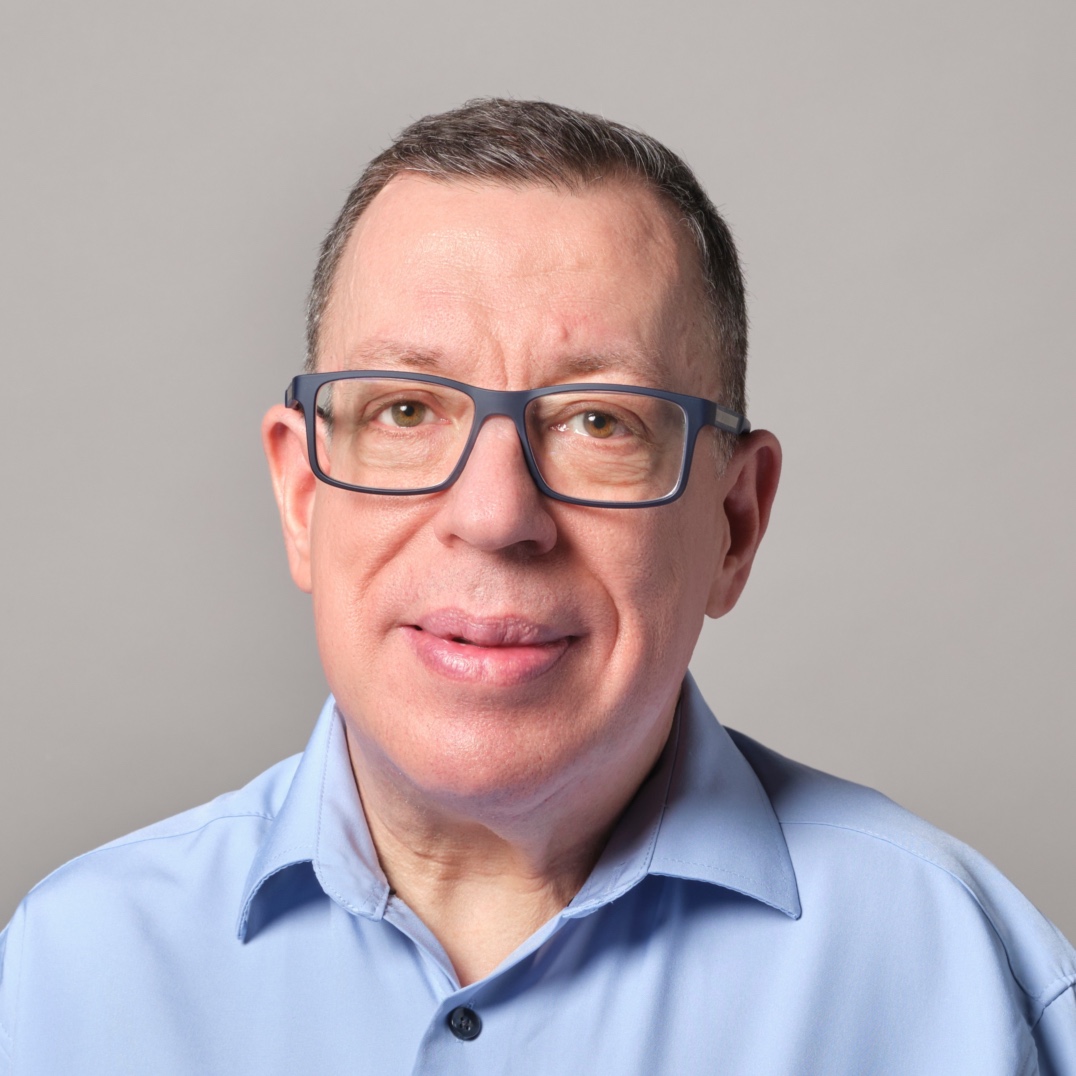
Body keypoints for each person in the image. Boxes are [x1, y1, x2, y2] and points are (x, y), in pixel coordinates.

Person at [1, 98, 1073, 1075]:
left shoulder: (971, 988)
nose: (495, 514)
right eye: (406, 411)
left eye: (599, 421)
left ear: (734, 523)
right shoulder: (64, 978)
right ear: (300, 495)